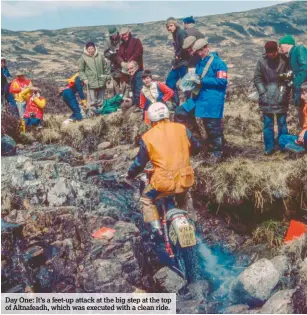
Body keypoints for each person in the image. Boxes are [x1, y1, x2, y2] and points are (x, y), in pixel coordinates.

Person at [126, 102, 200, 235]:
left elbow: (139, 163)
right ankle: (191, 221)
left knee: (146, 199)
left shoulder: (148, 137)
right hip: (185, 178)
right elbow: (196, 147)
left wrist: (129, 174)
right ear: (167, 114)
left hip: (163, 182)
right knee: (184, 194)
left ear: (151, 118)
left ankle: (156, 229)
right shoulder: (182, 128)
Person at [174, 38, 228, 164]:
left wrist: (202, 81)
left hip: (212, 99)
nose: (200, 53)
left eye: (201, 51)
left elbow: (222, 82)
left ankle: (217, 153)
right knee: (181, 113)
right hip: (200, 98)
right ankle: (200, 144)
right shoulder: (201, 63)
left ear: (207, 47)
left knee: (213, 127)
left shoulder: (218, 63)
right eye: (198, 51)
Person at [254, 41, 290, 155]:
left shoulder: (284, 60)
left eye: (274, 52)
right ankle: (269, 148)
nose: (273, 54)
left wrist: (284, 91)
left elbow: (289, 77)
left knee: (282, 123)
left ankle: (284, 146)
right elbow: (257, 78)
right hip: (266, 97)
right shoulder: (261, 61)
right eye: (270, 53)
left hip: (281, 95)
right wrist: (263, 93)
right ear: (266, 52)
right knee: (268, 123)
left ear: (277, 50)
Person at [279, 35, 307, 128]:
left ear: (288, 43)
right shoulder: (290, 55)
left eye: (281, 45)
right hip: (299, 91)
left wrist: (295, 82)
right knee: (302, 116)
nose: (280, 48)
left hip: (303, 90)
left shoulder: (299, 49)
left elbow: (305, 68)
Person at [79, 41, 111, 109]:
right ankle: (93, 114)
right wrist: (84, 78)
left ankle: (100, 113)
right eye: (89, 49)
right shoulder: (83, 58)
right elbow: (81, 70)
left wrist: (108, 78)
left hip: (101, 81)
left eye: (92, 48)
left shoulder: (100, 56)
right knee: (92, 101)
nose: (91, 50)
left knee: (101, 100)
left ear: (94, 48)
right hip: (91, 82)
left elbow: (105, 67)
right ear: (86, 49)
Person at [165, 17, 189, 106]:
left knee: (186, 85)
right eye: (168, 27)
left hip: (184, 63)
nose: (169, 28)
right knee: (169, 82)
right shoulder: (175, 34)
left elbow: (185, 47)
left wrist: (178, 56)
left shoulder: (180, 33)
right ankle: (175, 103)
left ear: (175, 24)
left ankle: (190, 105)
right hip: (178, 63)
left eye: (171, 26)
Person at [279, 82, 307, 153]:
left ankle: (298, 148)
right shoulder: (305, 107)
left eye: (304, 93)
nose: (301, 97)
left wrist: (304, 133)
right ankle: (300, 148)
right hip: (304, 136)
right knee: (282, 138)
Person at [104, 26, 121, 95]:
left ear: (117, 32)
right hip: (114, 66)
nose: (113, 36)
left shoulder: (122, 39)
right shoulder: (107, 41)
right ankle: (117, 99)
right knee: (115, 85)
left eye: (114, 34)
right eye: (112, 35)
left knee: (124, 85)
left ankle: (125, 101)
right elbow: (105, 53)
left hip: (122, 65)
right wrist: (112, 55)